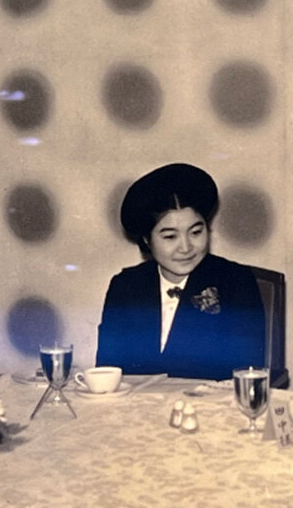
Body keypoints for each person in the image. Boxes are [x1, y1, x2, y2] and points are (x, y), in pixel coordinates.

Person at [96, 163, 266, 380]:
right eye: (170, 236)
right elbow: (107, 371)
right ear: (147, 240)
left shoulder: (236, 282)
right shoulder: (125, 286)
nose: (186, 247)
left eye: (196, 232)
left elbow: (245, 373)